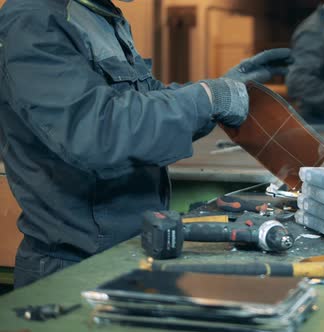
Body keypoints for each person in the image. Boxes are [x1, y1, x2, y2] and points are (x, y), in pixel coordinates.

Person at [0, 0, 291, 288]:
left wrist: (219, 92)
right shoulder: (35, 17)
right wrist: (206, 98)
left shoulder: (98, 14)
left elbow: (144, 106)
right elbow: (97, 132)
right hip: (71, 268)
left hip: (127, 249)